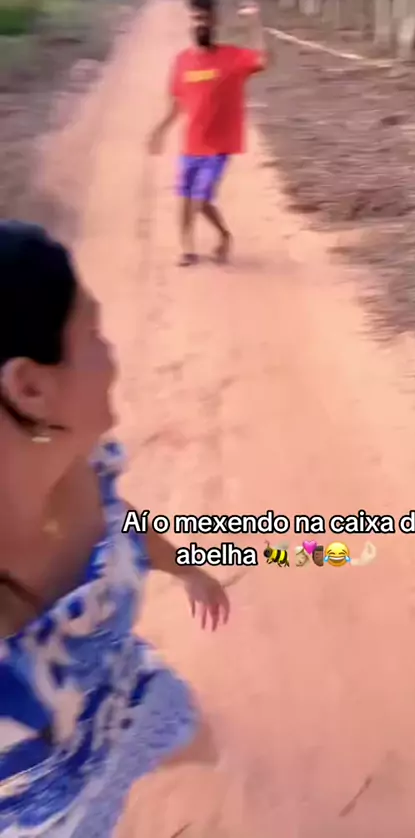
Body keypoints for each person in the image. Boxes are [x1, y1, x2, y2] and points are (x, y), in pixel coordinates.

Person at [0, 220, 230, 837]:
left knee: (191, 733)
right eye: (93, 334)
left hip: (126, 693)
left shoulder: (80, 463)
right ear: (29, 387)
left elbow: (121, 525)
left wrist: (190, 570)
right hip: (46, 808)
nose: (111, 354)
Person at [148, 0, 268, 266]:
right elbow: (176, 104)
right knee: (184, 196)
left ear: (215, 21)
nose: (200, 23)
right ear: (190, 21)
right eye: (195, 18)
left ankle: (224, 235)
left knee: (201, 198)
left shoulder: (232, 57)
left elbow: (263, 60)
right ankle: (186, 249)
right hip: (191, 144)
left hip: (218, 147)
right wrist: (160, 130)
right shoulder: (182, 61)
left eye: (205, 18)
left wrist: (254, 23)